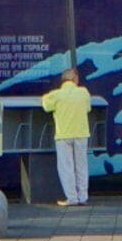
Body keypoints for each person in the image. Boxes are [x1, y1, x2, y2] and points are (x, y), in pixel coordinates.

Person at [43, 65, 98, 207]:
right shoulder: (83, 92)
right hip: (81, 133)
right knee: (81, 166)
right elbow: (88, 108)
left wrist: (44, 97)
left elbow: (46, 106)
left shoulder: (55, 95)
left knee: (66, 167)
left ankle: (71, 198)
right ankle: (83, 197)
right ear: (75, 78)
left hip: (63, 135)